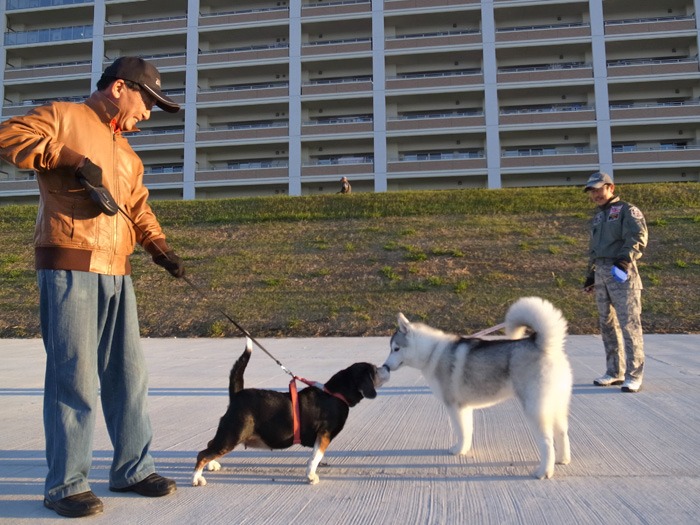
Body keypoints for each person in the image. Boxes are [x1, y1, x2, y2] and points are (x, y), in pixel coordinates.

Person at [0, 57, 185, 518]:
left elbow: (137, 207)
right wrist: (68, 158)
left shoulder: (127, 154)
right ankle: (65, 485)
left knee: (129, 376)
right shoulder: (65, 117)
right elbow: (6, 136)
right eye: (148, 101)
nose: (148, 113)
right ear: (120, 87)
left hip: (118, 272)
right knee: (74, 377)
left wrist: (160, 248)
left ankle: (133, 469)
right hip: (69, 264)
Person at [582, 172, 648, 393]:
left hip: (621, 272)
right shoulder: (598, 216)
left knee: (629, 325)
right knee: (607, 325)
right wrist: (590, 275)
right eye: (592, 191)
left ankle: (634, 375)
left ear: (611, 187)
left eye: (599, 189)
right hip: (601, 273)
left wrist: (624, 260)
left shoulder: (627, 210)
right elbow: (594, 249)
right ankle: (614, 372)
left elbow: (638, 236)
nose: (595, 194)